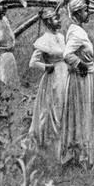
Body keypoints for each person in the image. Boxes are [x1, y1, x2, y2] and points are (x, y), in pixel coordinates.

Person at [28, 9, 69, 162]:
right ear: (47, 22)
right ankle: (48, 150)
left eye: (58, 18)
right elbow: (33, 63)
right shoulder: (44, 40)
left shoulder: (61, 36)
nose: (58, 21)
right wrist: (46, 67)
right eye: (54, 19)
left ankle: (64, 151)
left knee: (64, 110)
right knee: (52, 112)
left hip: (65, 75)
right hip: (53, 79)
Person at [62, 0, 94, 169]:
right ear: (76, 13)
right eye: (85, 10)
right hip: (81, 79)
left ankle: (83, 156)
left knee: (85, 114)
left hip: (86, 78)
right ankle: (80, 157)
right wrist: (80, 64)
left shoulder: (78, 30)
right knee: (82, 115)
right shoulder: (76, 32)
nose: (88, 12)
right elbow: (67, 54)